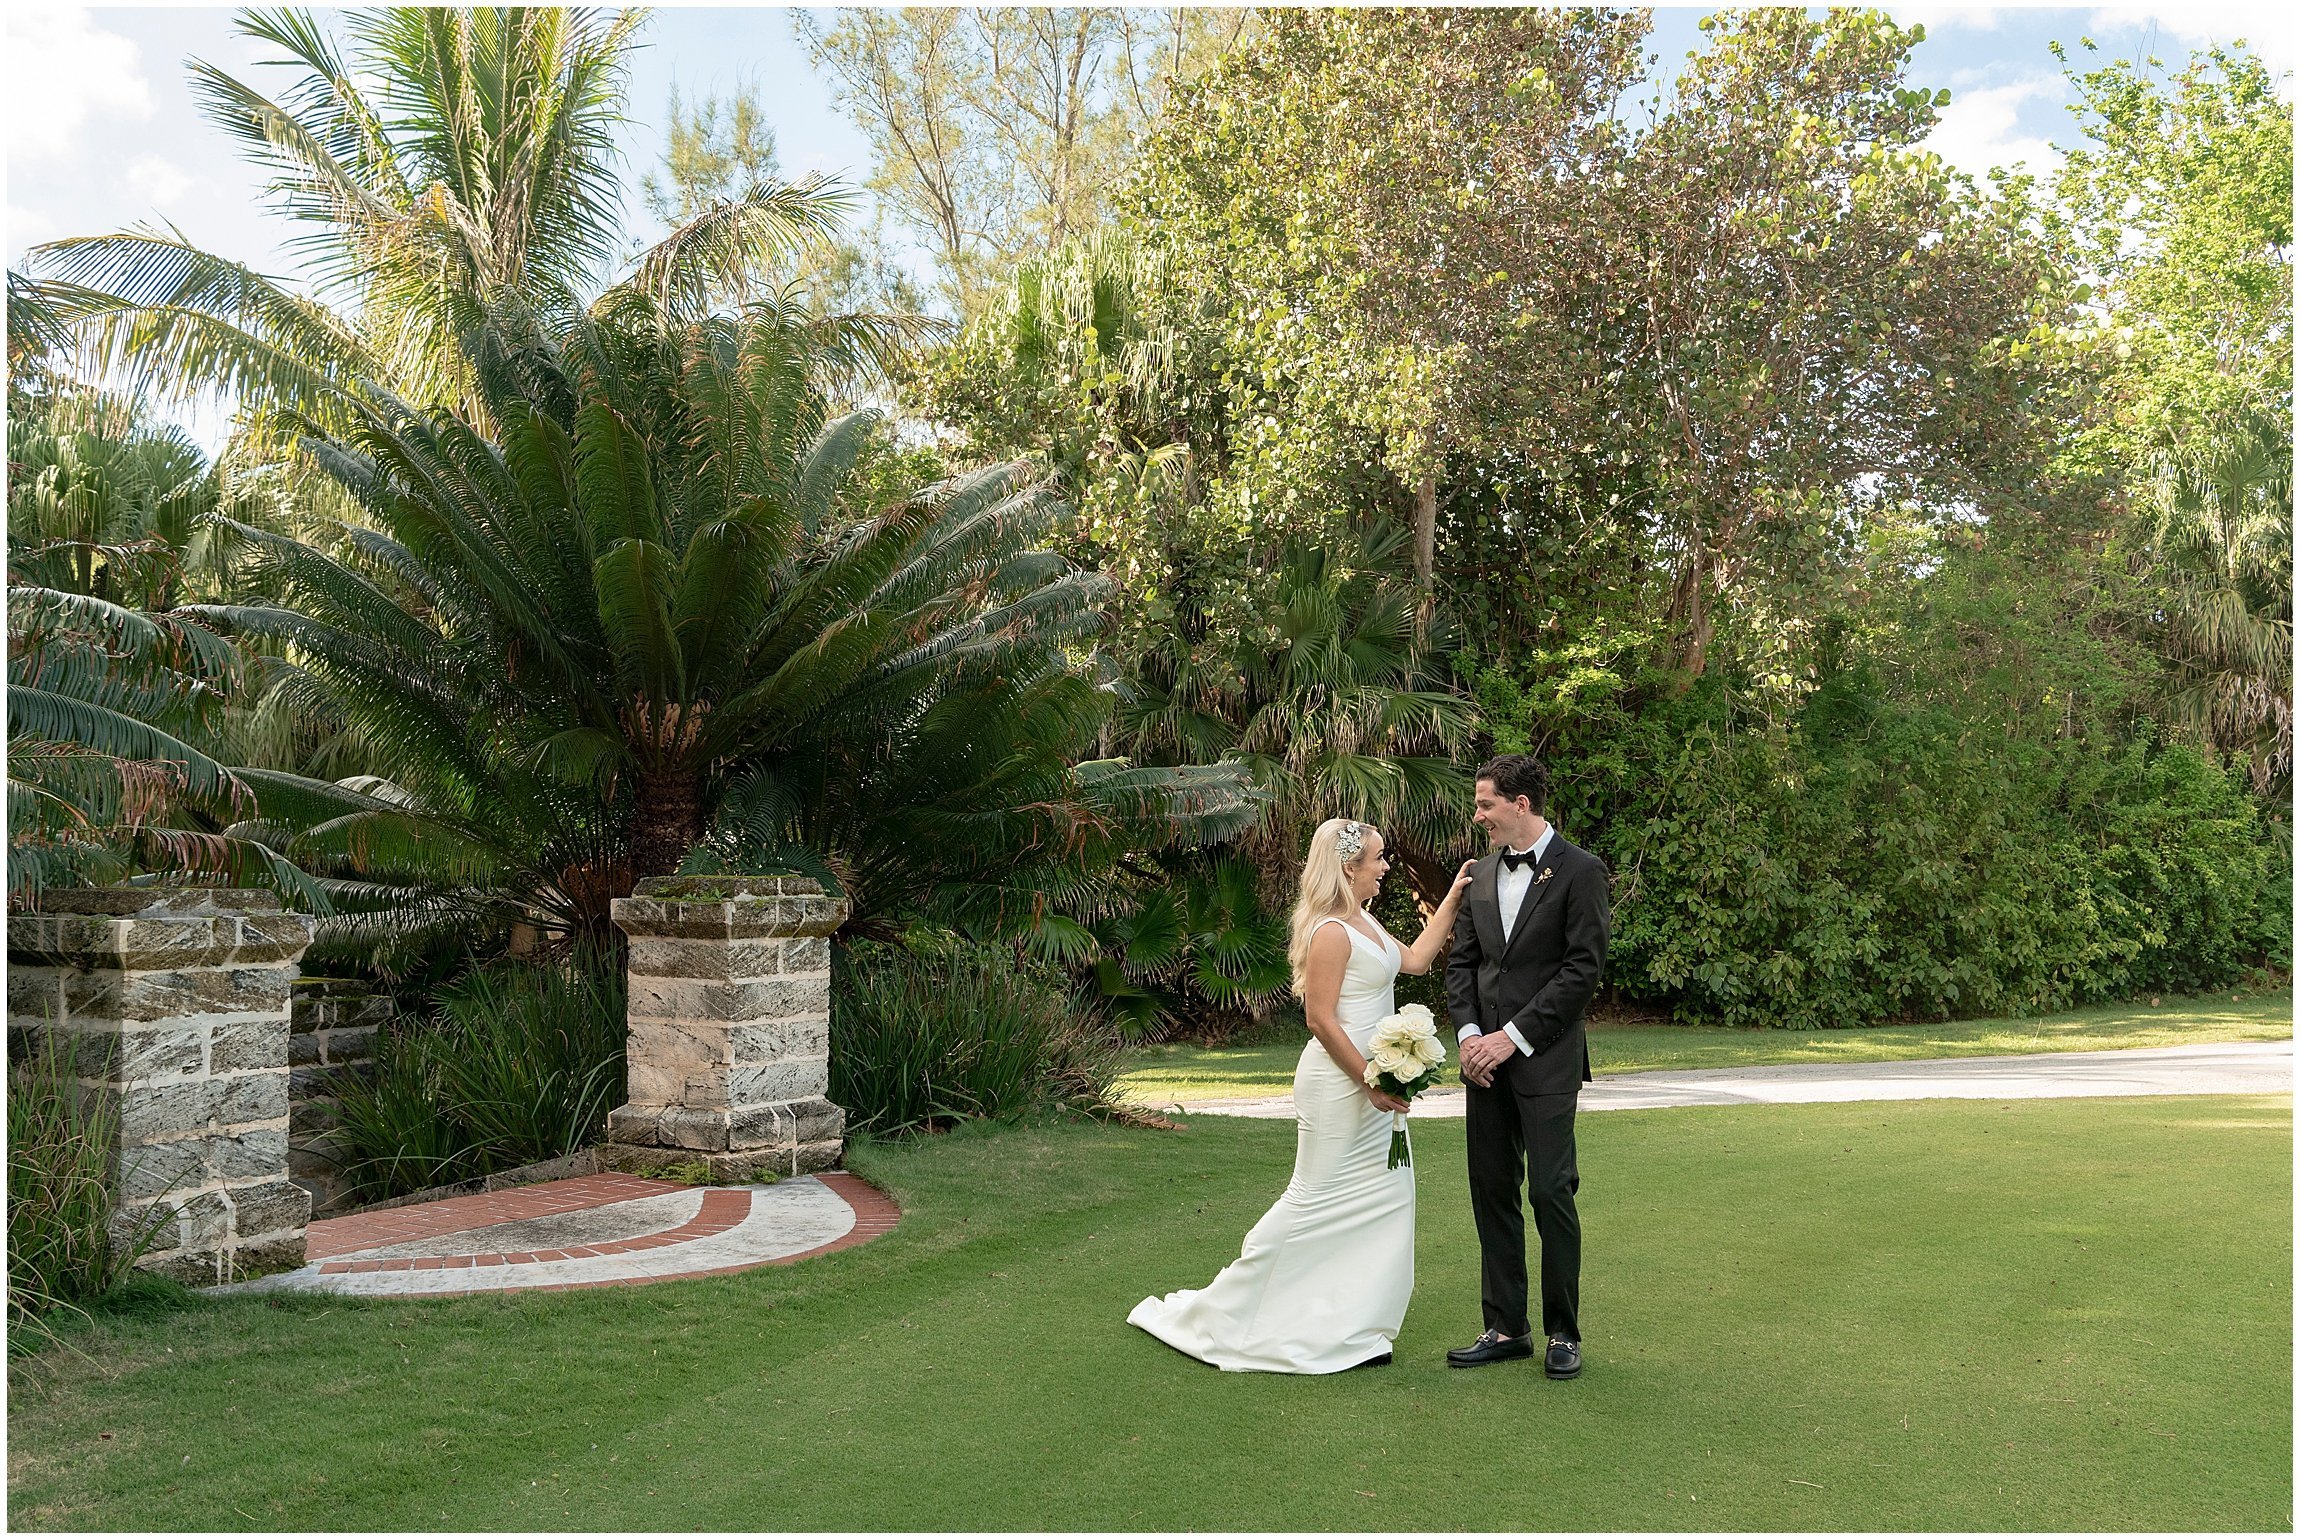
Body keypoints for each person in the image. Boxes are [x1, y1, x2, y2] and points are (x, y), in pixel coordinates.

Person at [1127, 818, 1474, 1372]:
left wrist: (1453, 898)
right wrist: (1370, 1080)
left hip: (1375, 1083)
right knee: (1314, 1198)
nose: (1386, 867)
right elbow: (1319, 1018)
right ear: (1348, 868)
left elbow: (1414, 961)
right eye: (1378, 858)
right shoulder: (1331, 932)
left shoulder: (1365, 920)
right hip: (1339, 1086)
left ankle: (1355, 1329)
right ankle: (1229, 1311)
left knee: (1387, 1197)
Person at [1445, 753, 1612, 1379]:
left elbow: (1581, 971)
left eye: (1485, 804)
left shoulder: (1582, 871)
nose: (1478, 815)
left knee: (1549, 1190)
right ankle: (1506, 1327)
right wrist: (1470, 1037)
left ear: (1521, 804)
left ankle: (1563, 1333)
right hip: (1482, 1066)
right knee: (1491, 1189)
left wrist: (1509, 1039)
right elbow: (1463, 965)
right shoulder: (1481, 873)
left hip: (1545, 1062)